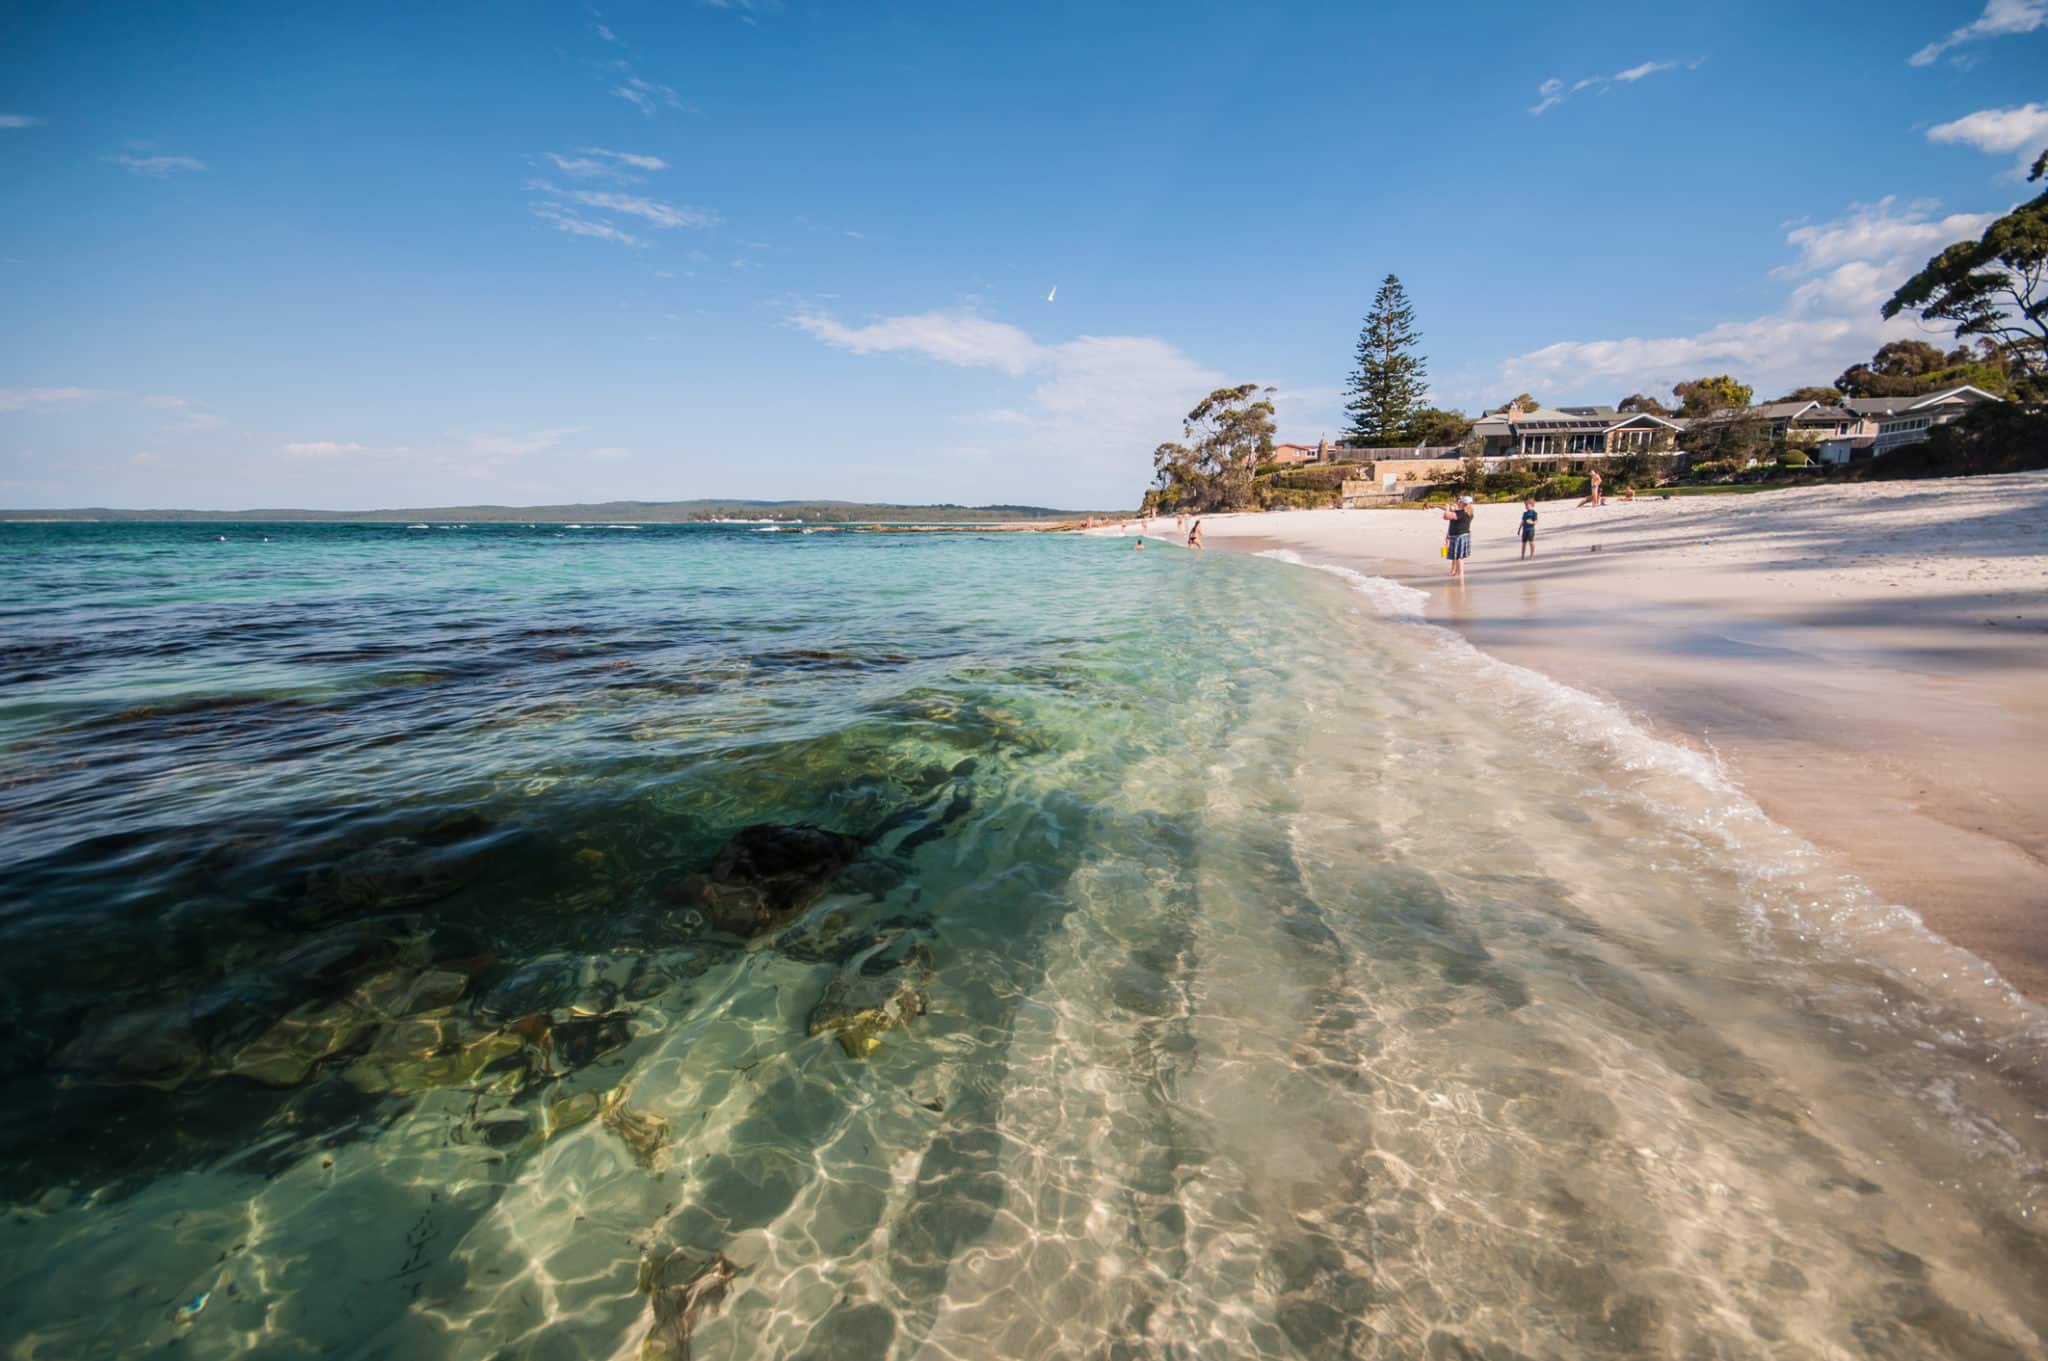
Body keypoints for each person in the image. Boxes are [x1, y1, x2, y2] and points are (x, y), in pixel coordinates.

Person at [1441, 496, 1473, 579]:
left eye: (1460, 502)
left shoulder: (1461, 513)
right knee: (1460, 556)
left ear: (1463, 504)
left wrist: (1448, 508)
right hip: (1464, 535)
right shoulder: (1469, 513)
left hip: (1458, 536)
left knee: (1459, 557)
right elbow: (1453, 514)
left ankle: (1460, 574)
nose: (1459, 503)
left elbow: (1446, 516)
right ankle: (1458, 573)